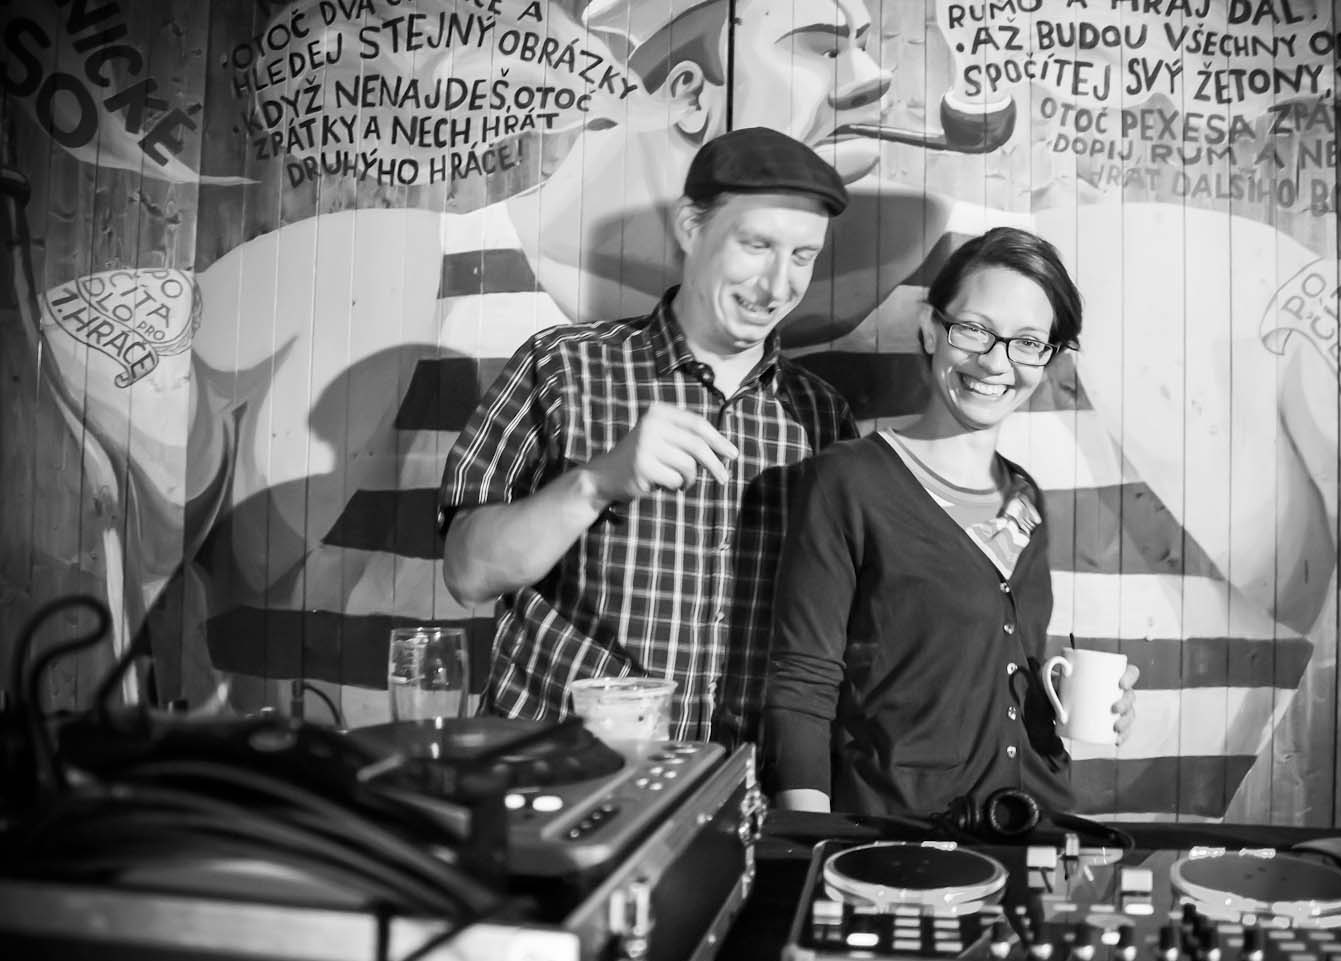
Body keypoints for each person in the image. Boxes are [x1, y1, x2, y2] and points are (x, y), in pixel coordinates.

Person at [437, 126, 860, 750]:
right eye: (756, 245)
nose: (777, 286)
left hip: (732, 781)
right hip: (558, 767)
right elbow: (467, 572)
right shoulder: (563, 367)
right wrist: (595, 483)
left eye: (802, 256)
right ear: (691, 227)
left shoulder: (821, 418)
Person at [762, 226, 1138, 816]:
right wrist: (810, 842)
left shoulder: (1026, 499)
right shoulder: (847, 482)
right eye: (975, 329)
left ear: (1048, 357)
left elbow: (973, 668)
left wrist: (1055, 694)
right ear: (930, 329)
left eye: (1028, 342)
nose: (995, 361)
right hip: (900, 839)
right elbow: (802, 686)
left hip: (1035, 828)